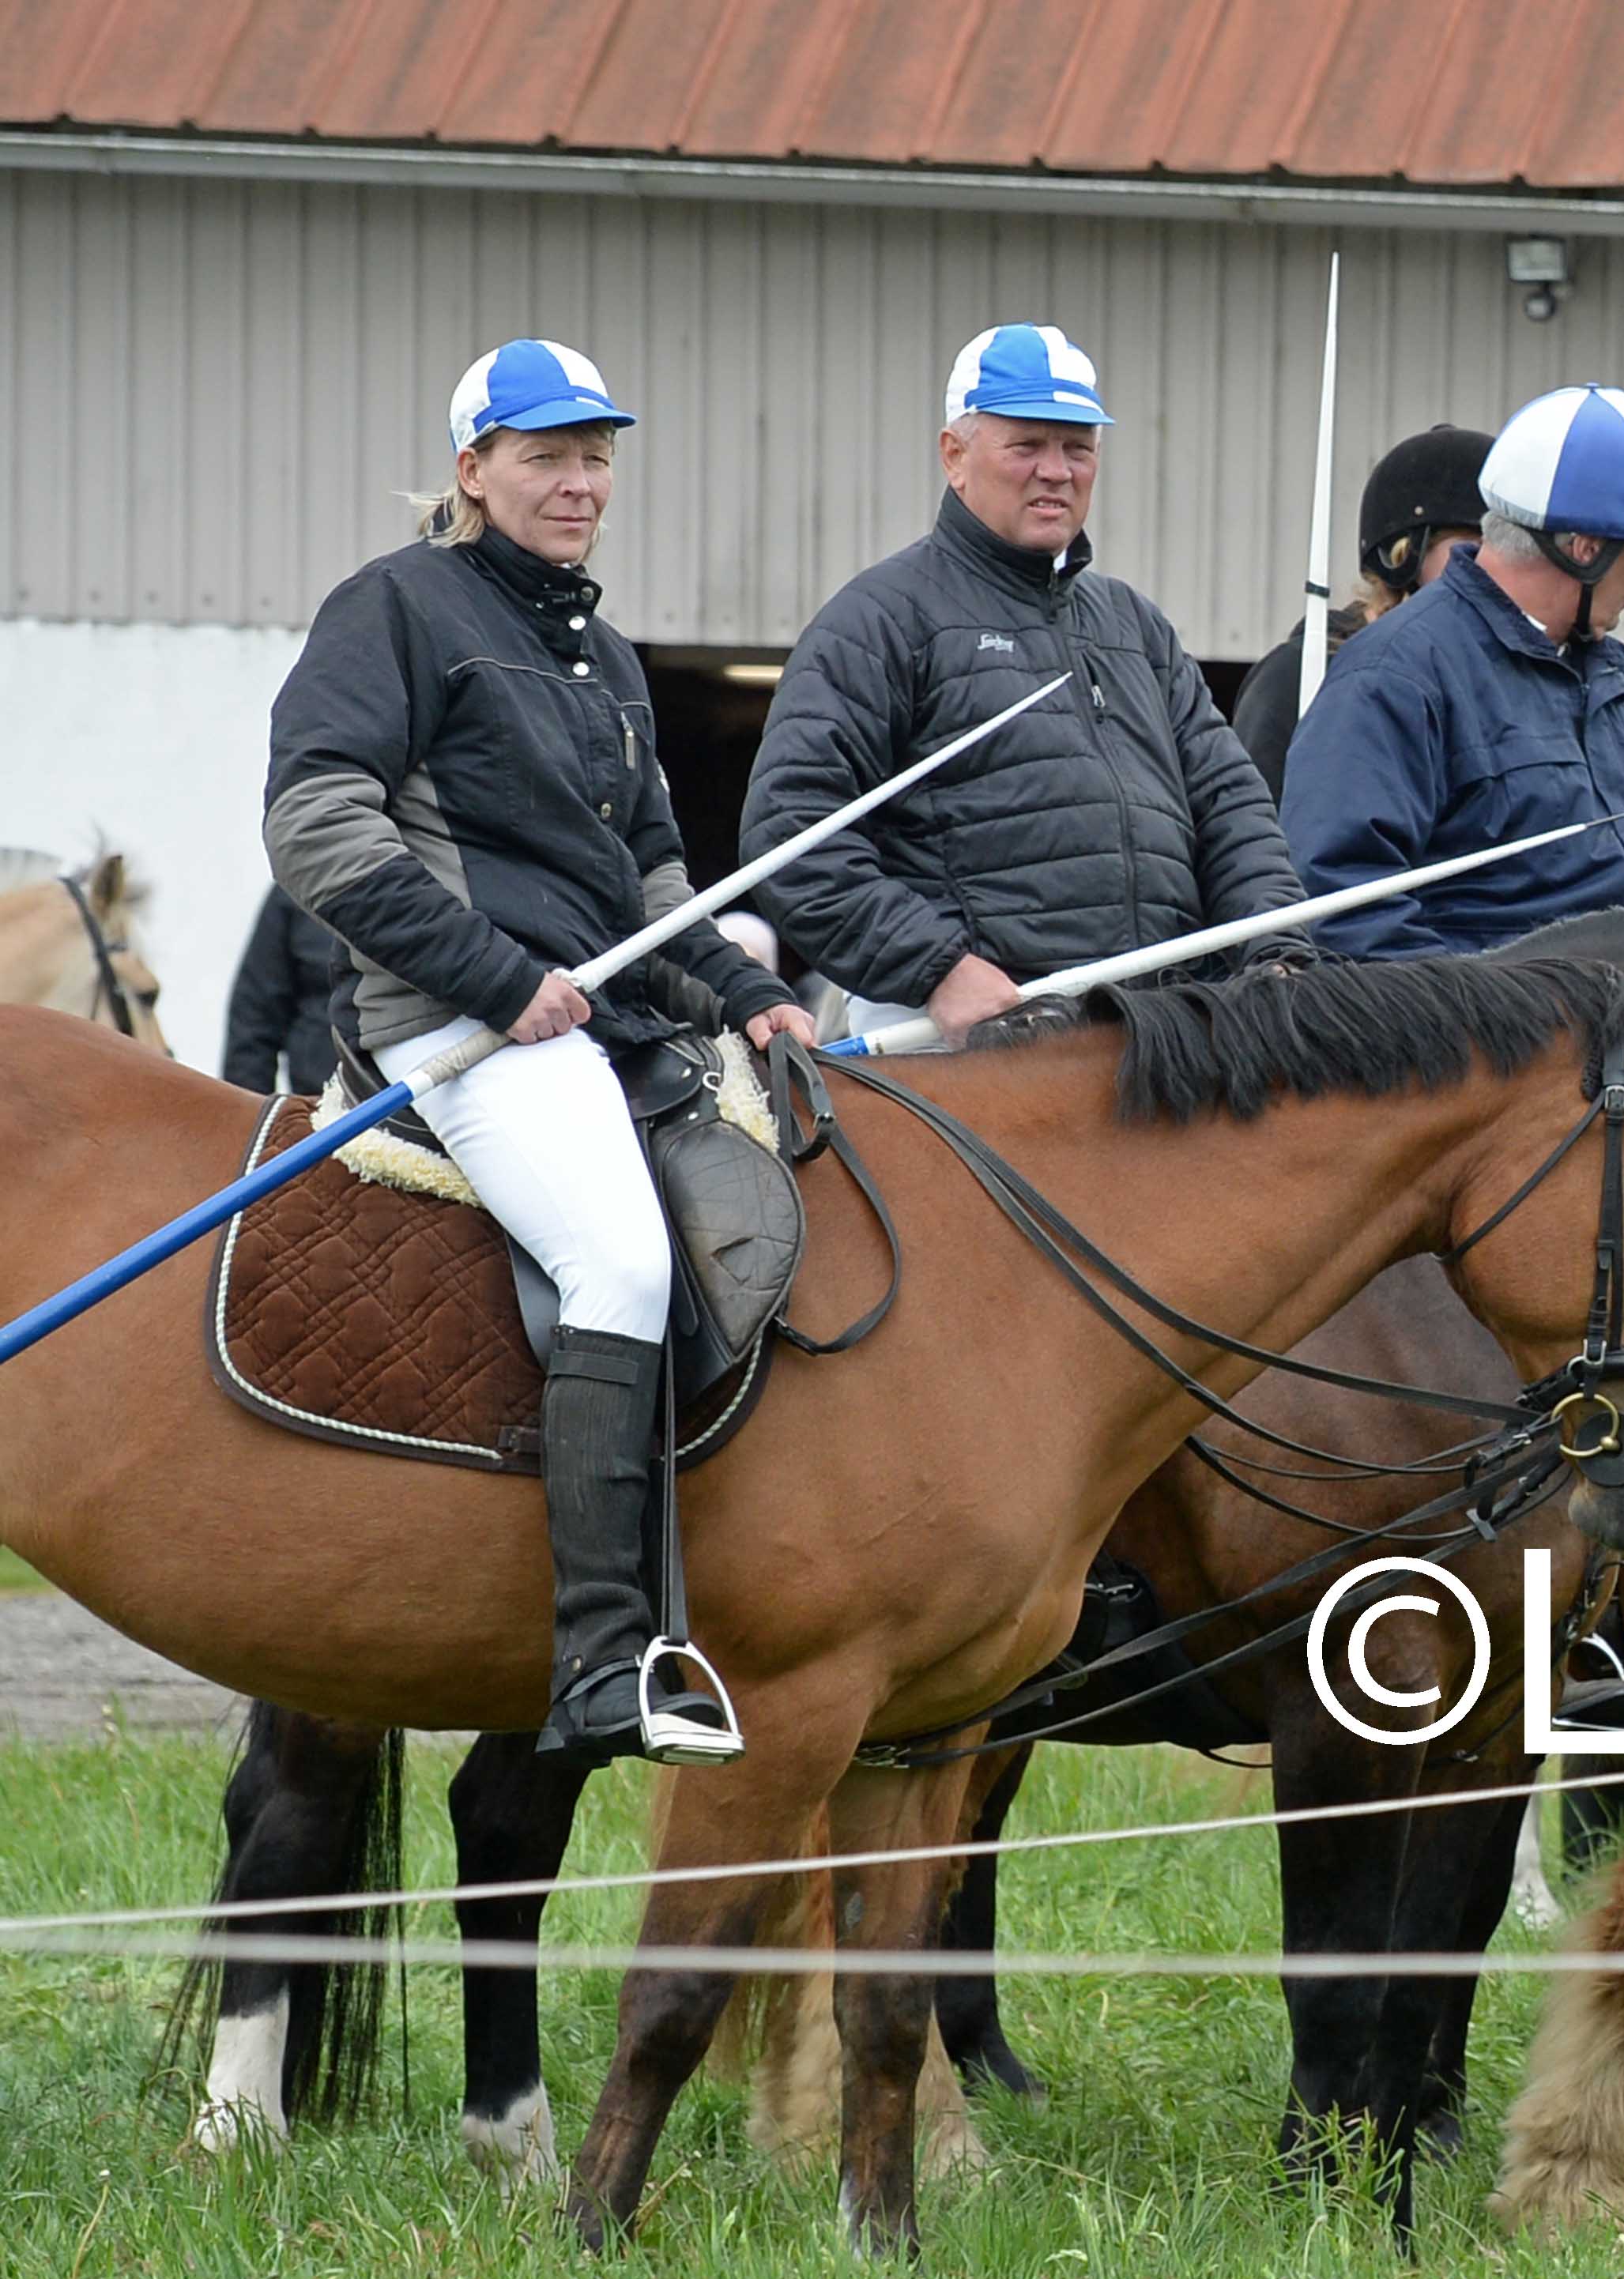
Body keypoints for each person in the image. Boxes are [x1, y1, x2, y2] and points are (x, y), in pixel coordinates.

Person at [262, 340, 812, 1766]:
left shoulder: (608, 658)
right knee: (622, 1263)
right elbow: (318, 827)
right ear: (473, 471)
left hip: (603, 1024)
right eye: (548, 457)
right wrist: (500, 982)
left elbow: (645, 884)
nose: (580, 483)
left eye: (598, 456)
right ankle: (599, 1658)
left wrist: (741, 998)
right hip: (459, 1028)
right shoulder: (392, 607)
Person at [745, 323, 1305, 1043]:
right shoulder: (878, 620)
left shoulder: (1136, 627)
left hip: (1157, 1044)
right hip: (965, 1052)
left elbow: (1232, 809)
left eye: (1078, 447)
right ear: (954, 455)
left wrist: (1276, 950)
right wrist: (939, 969)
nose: (1056, 470)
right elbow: (791, 832)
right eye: (1027, 445)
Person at [1284, 382, 1624, 957]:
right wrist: (1505, 1029)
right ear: (1585, 547)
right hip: (1503, 1041)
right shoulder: (1393, 679)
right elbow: (1340, 909)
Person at [1231, 422, 1493, 800]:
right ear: (1404, 554)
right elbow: (1249, 827)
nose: (1497, 571)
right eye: (1475, 549)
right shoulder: (1299, 679)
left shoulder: (1501, 681)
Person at [221, 888, 345, 1097]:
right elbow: (254, 1017)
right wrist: (249, 1116)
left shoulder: (414, 880)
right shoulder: (300, 886)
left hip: (410, 1098)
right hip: (323, 1106)